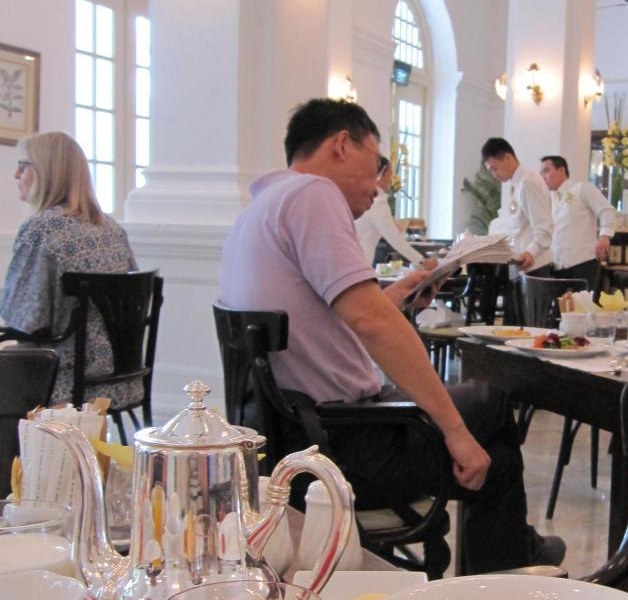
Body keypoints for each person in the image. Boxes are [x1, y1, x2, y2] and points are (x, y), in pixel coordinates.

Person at [218, 98, 564, 574]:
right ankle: (511, 566)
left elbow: (327, 317)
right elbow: (371, 323)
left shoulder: (259, 209)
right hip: (337, 449)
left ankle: (515, 556)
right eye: (378, 161)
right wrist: (455, 433)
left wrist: (396, 295)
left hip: (286, 441)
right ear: (343, 144)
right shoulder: (313, 194)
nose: (380, 182)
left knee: (496, 460)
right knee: (492, 409)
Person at [0, 131, 138, 407]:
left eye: (23, 166)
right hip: (123, 376)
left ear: (46, 172)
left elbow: (25, 319)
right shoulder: (111, 228)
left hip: (62, 379)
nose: (16, 175)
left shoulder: (41, 229)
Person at [539, 155, 619, 288]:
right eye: (541, 173)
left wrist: (604, 236)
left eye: (546, 171)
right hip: (557, 267)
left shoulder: (582, 189)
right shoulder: (549, 199)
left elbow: (607, 210)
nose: (543, 177)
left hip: (583, 264)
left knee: (582, 301)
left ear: (561, 170)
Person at [482, 138, 552, 273]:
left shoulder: (527, 182)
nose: (494, 175)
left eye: (494, 169)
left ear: (507, 158)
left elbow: (544, 226)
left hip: (535, 266)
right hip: (523, 264)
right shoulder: (516, 183)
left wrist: (531, 252)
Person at [354, 156, 425, 267]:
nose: (391, 180)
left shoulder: (363, 196)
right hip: (358, 264)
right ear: (382, 174)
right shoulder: (376, 201)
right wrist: (422, 261)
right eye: (390, 175)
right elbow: (394, 238)